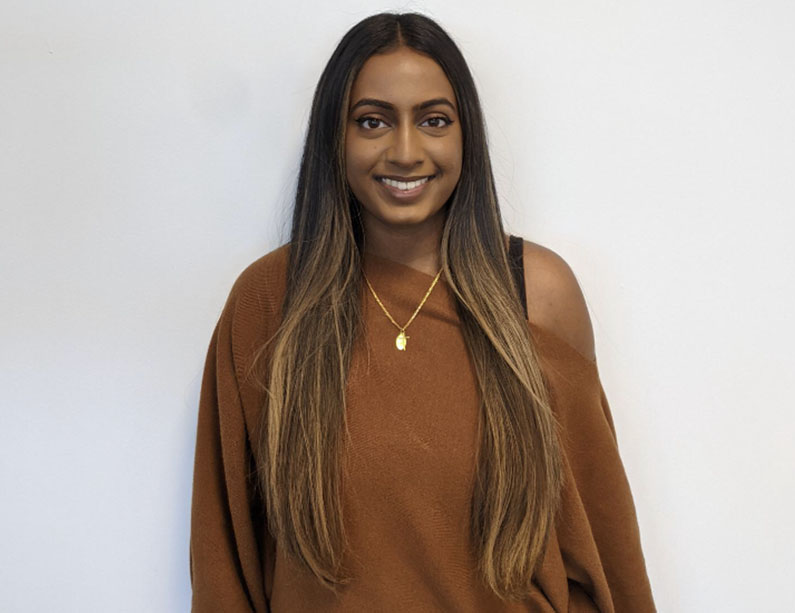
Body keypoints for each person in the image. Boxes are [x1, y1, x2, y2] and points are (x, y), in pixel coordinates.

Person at [189, 11, 656, 613]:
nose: (405, 152)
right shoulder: (269, 302)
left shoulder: (534, 292)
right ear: (336, 135)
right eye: (373, 121)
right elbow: (224, 558)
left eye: (434, 120)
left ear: (467, 136)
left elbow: (603, 543)